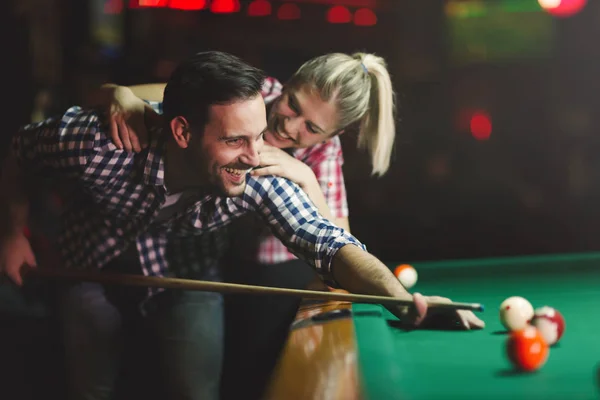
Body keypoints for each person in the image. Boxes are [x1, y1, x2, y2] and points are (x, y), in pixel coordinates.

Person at [0, 50, 483, 400]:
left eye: (309, 130)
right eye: (239, 139)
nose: (264, 148)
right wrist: (11, 234)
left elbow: (330, 241)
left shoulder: (256, 170)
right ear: (182, 129)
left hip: (191, 273)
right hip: (90, 267)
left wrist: (399, 300)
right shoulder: (96, 143)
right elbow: (18, 156)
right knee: (89, 388)